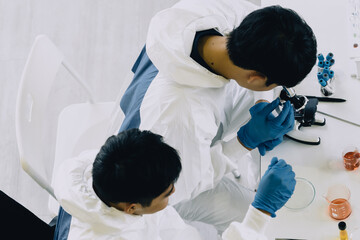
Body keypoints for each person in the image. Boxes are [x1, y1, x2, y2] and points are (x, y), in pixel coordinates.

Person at [118, 0, 316, 232]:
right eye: (275, 83)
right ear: (254, 77)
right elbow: (185, 186)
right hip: (165, 183)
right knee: (260, 218)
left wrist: (264, 102)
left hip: (184, 125)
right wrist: (245, 141)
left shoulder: (219, 14)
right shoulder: (181, 114)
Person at [53, 128, 296, 239]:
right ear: (132, 207)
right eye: (167, 194)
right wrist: (259, 214)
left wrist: (240, 143)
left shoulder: (108, 167)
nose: (176, 192)